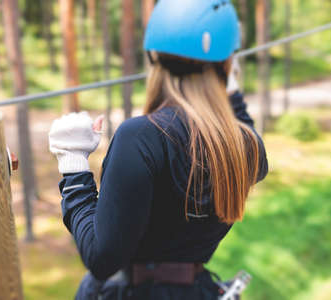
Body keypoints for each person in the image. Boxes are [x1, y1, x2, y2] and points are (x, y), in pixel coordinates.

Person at [48, 0, 268, 299]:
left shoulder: (142, 137)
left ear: (153, 57)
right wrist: (229, 89)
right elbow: (243, 128)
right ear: (229, 64)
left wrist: (73, 166)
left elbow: (102, 259)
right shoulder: (246, 148)